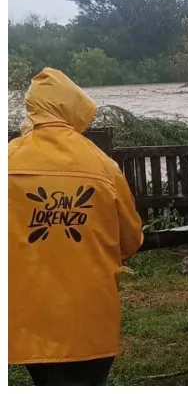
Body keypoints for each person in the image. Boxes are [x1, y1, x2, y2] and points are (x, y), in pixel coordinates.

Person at [8, 68, 144, 385]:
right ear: (73, 107)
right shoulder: (102, 166)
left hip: (26, 320)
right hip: (89, 320)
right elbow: (131, 240)